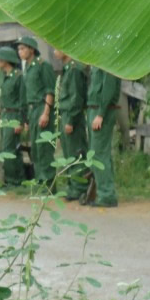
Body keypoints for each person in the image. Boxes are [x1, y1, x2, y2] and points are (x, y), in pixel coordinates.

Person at [15, 36, 56, 186]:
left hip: (41, 107)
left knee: (44, 148)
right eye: (19, 49)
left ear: (31, 49)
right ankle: (40, 181)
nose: (20, 52)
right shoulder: (27, 68)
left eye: (23, 48)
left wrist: (46, 112)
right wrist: (26, 119)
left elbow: (50, 90)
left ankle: (49, 184)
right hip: (32, 111)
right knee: (36, 150)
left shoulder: (42, 65)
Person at [83, 66, 121, 207]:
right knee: (97, 153)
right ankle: (103, 192)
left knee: (99, 154)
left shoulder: (108, 63)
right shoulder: (98, 64)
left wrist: (100, 114)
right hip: (94, 109)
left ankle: (107, 195)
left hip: (102, 111)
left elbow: (109, 89)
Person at [54, 50, 88, 201]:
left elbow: (76, 98)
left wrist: (71, 120)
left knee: (76, 153)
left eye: (56, 48)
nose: (54, 52)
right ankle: (72, 185)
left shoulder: (74, 70)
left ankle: (80, 187)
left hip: (72, 116)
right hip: (65, 114)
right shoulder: (68, 69)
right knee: (68, 153)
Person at [0, 46, 25, 186]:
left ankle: (15, 180)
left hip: (14, 115)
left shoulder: (18, 76)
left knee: (10, 148)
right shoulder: (2, 76)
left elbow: (22, 100)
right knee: (3, 149)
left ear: (6, 60)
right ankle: (8, 178)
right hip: (4, 115)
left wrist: (20, 121)